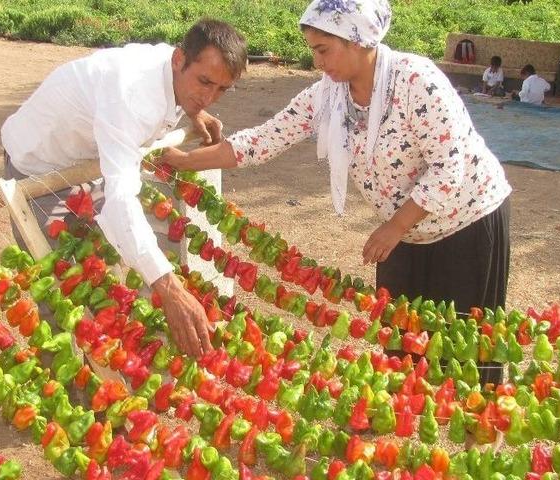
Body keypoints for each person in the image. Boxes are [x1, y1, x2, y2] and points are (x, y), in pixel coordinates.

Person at [161, 0, 511, 383]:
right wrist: (183, 160)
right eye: (314, 50)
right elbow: (263, 140)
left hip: (466, 222)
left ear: (358, 39)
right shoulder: (327, 96)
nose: (318, 62)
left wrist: (394, 227)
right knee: (403, 343)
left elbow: (449, 167)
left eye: (323, 50)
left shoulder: (416, 82)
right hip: (405, 232)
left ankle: (480, 430)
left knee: (467, 347)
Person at [1, 19, 248, 359]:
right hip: (39, 172)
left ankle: (107, 378)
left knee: (104, 279)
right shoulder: (131, 94)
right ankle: (68, 401)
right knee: (59, 292)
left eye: (221, 89)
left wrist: (195, 110)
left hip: (89, 164)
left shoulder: (173, 72)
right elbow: (121, 199)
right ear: (179, 59)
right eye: (204, 82)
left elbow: (185, 89)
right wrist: (169, 289)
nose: (210, 96)